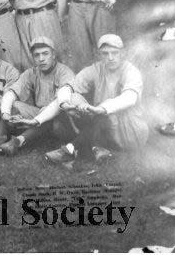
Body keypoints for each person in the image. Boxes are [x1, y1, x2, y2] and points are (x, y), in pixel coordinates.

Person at [45, 34, 148, 165]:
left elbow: (130, 98)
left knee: (104, 114)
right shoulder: (97, 68)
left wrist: (101, 109)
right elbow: (69, 86)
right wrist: (65, 104)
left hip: (130, 131)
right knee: (74, 97)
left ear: (123, 53)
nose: (110, 58)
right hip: (106, 126)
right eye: (105, 54)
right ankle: (98, 148)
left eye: (115, 53)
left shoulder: (131, 71)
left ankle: (71, 149)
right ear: (99, 54)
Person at [0, 36, 75, 156]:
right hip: (40, 114)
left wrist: (37, 119)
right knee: (13, 104)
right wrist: (5, 114)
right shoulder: (32, 72)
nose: (41, 59)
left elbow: (60, 104)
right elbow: (12, 91)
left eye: (45, 54)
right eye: (37, 55)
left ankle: (17, 141)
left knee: (49, 114)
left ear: (53, 55)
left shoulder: (64, 72)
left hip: (62, 118)